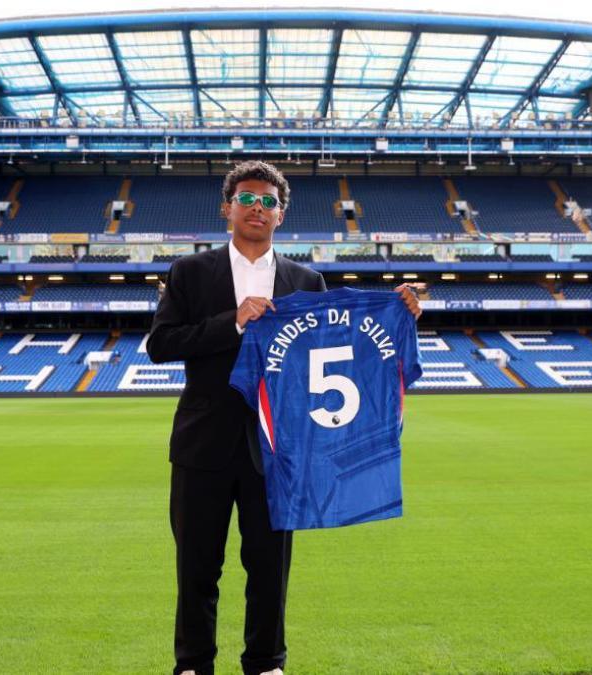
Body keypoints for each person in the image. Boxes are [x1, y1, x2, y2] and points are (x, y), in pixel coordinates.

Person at [146, 160, 421, 675]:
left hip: (281, 450)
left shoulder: (305, 279)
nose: (257, 207)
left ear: (282, 214)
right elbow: (160, 345)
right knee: (197, 567)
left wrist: (401, 313)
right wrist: (233, 321)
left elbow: (338, 356)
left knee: (270, 567)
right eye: (247, 198)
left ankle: (266, 662)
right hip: (202, 446)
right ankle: (192, 664)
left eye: (268, 201)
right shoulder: (189, 272)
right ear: (227, 207)